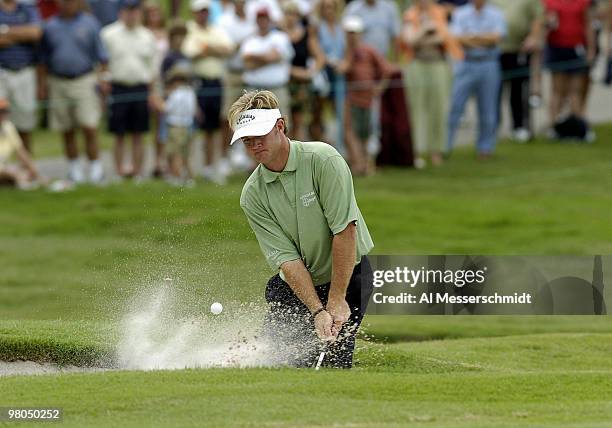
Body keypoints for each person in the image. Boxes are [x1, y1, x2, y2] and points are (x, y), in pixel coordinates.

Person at [228, 89, 374, 368]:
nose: (255, 145)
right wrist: (317, 310)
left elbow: (344, 231)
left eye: (260, 135)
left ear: (280, 126)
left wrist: (336, 299)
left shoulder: (323, 160)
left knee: (333, 364)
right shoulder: (252, 195)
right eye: (247, 141)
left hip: (347, 277)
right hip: (297, 287)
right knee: (278, 363)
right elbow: (287, 259)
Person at [39, 0, 109, 184]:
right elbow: (43, 60)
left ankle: (96, 169)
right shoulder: (50, 26)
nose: (67, 4)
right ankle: (74, 169)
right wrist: (42, 86)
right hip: (58, 80)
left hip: (84, 79)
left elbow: (102, 56)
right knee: (66, 128)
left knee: (89, 126)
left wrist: (103, 80)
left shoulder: (90, 23)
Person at [401, 0, 462, 169]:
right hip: (417, 65)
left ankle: (437, 150)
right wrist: (425, 30)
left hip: (438, 65)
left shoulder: (440, 13)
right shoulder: (409, 15)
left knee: (439, 108)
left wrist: (423, 36)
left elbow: (445, 37)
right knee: (416, 109)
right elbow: (410, 40)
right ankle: (417, 150)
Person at [102, 0, 157, 179]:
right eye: (128, 10)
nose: (131, 14)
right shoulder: (108, 34)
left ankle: (137, 172)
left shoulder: (147, 36)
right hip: (118, 87)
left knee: (138, 133)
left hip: (141, 87)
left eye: (135, 10)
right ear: (121, 11)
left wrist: (151, 92)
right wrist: (104, 83)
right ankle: (119, 171)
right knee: (118, 133)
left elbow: (152, 67)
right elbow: (102, 64)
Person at [446, 0, 506, 159]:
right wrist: (483, 38)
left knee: (488, 109)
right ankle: (445, 146)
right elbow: (457, 38)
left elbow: (497, 37)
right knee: (455, 106)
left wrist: (472, 37)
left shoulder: (496, 14)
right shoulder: (460, 13)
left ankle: (485, 147)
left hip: (489, 63)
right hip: (466, 63)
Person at [183, 0, 234, 184]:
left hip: (215, 83)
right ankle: (189, 168)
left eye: (205, 11)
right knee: (194, 126)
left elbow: (228, 48)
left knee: (213, 128)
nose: (203, 15)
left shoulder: (217, 29)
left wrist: (206, 48)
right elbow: (190, 52)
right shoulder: (189, 29)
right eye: (199, 12)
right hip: (197, 83)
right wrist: (214, 49)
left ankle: (210, 167)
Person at [341, 15, 393, 175]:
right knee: (351, 131)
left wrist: (380, 88)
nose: (352, 36)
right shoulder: (346, 52)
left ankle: (367, 164)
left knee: (368, 132)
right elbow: (345, 69)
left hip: (369, 99)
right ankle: (358, 163)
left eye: (354, 32)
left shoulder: (369, 51)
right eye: (349, 32)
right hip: (351, 98)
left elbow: (386, 69)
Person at [490, 0, 543, 143]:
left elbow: (537, 18)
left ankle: (519, 126)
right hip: (496, 50)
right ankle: (492, 126)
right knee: (494, 90)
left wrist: (533, 37)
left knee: (518, 91)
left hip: (520, 50)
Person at [543, 0, 595, 141]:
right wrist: (548, 23)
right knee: (557, 90)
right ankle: (553, 126)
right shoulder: (550, 2)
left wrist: (591, 49)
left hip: (576, 48)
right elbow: (543, 23)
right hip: (557, 47)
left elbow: (588, 24)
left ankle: (578, 126)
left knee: (576, 90)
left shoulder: (582, 2)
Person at [240, 8, 294, 127]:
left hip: (277, 89)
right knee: (254, 126)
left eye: (265, 19)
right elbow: (247, 64)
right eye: (260, 19)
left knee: (281, 124)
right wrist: (269, 57)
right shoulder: (249, 40)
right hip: (255, 91)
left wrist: (254, 56)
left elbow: (275, 56)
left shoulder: (280, 37)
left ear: (269, 20)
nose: (262, 22)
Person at [0, 0, 42, 153]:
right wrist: (20, 34)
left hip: (25, 71)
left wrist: (4, 31)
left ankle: (27, 169)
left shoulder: (27, 9)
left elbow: (35, 33)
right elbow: (27, 33)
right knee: (1, 122)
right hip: (2, 71)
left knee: (25, 124)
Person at [310, 0, 346, 150]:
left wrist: (343, 64)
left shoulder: (341, 28)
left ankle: (339, 145)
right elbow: (316, 49)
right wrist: (327, 60)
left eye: (331, 7)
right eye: (326, 7)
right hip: (323, 75)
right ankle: (317, 145)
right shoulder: (318, 28)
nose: (328, 10)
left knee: (340, 111)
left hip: (339, 75)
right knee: (318, 112)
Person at [160, 62, 197, 185]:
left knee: (175, 152)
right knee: (185, 153)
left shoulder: (175, 94)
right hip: (188, 126)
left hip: (175, 126)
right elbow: (193, 110)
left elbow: (167, 108)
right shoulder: (190, 92)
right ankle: (189, 177)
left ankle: (177, 177)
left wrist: (157, 103)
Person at [143, 0, 168, 177]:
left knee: (168, 123)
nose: (154, 16)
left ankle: (167, 159)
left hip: (169, 81)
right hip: (154, 81)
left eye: (156, 12)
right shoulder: (143, 34)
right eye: (150, 13)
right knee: (157, 123)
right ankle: (157, 160)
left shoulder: (165, 33)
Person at [0, 98, 42, 188]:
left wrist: (37, 175)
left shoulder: (8, 127)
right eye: (1, 111)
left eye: (5, 111)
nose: (3, 114)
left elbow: (21, 152)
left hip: (4, 167)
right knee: (17, 174)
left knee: (26, 173)